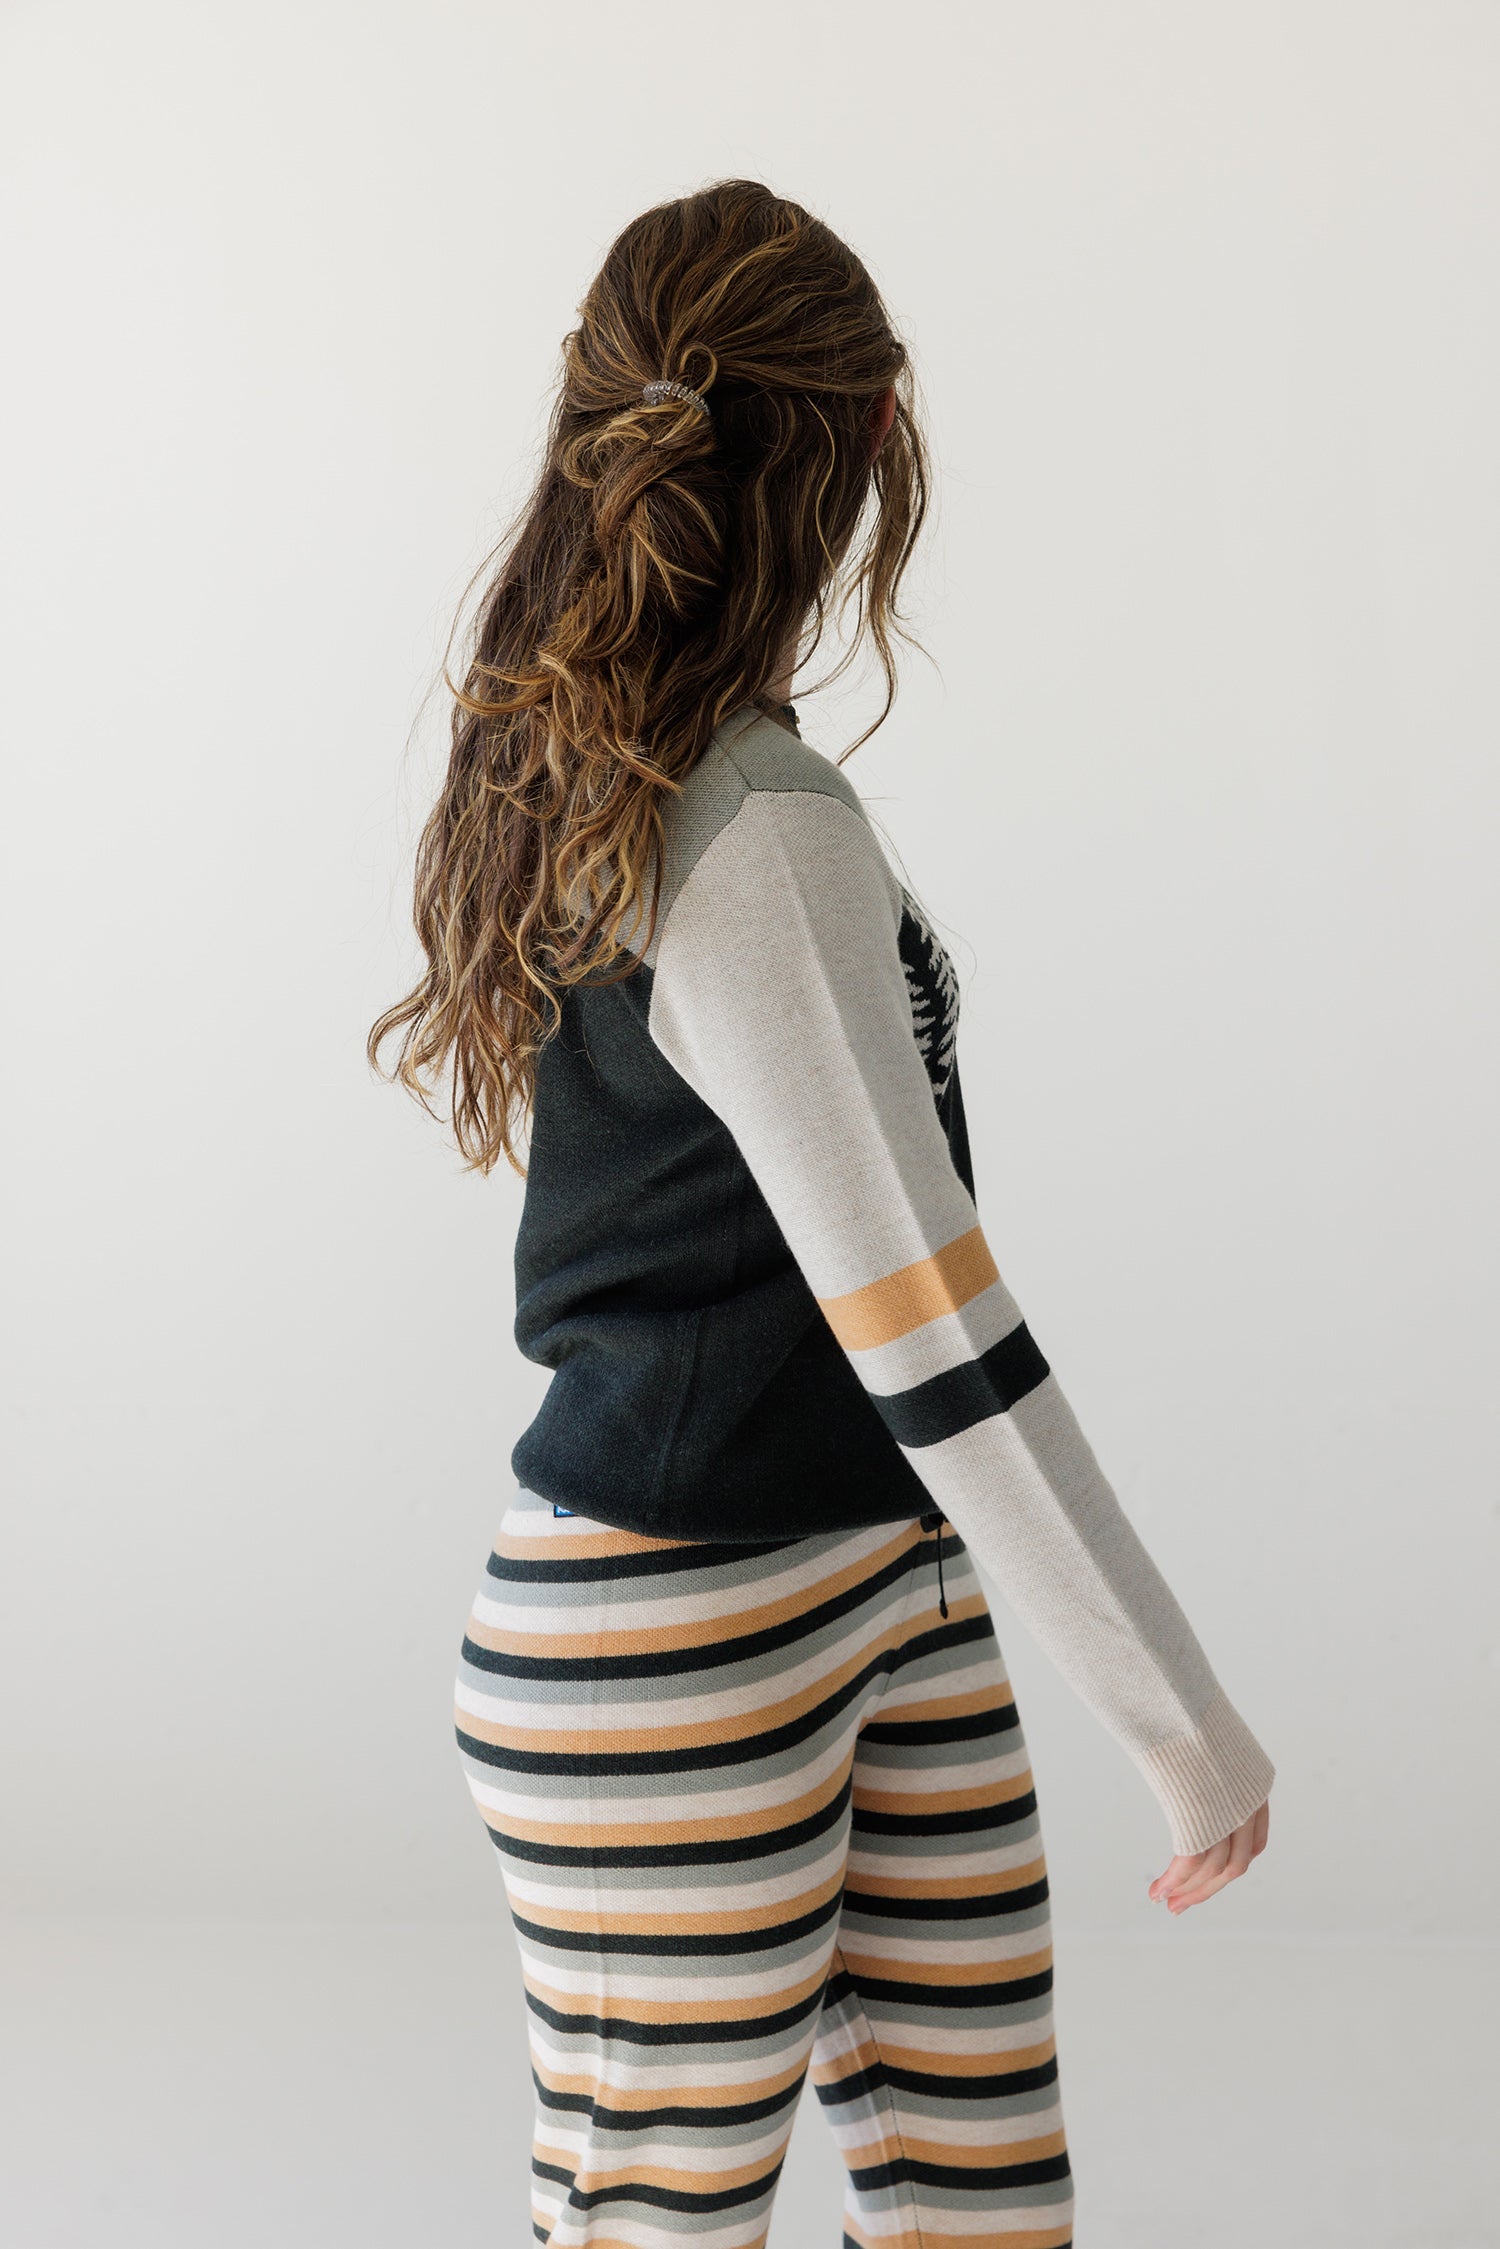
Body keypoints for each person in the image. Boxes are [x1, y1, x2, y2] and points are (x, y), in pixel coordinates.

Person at [370, 177, 1273, 2249]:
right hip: (683, 1642)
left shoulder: (649, 775)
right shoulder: (755, 829)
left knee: (986, 2207)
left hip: (886, 1589)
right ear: (867, 446)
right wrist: (1182, 1723)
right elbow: (929, 1327)